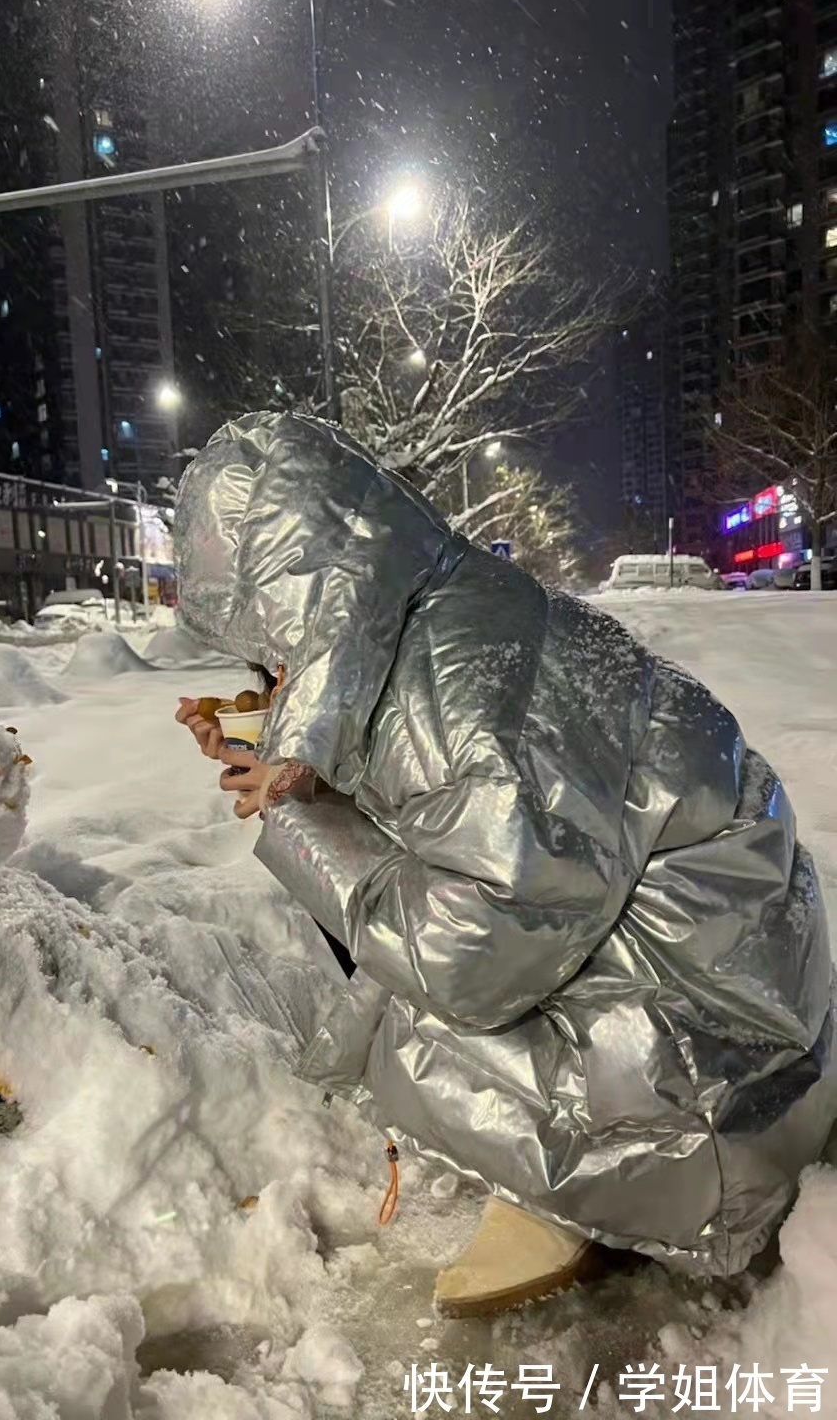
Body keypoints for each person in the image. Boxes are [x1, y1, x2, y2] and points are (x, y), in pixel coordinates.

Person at [172, 411, 836, 1315]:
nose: (269, 675)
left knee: (402, 1038)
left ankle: (582, 1199)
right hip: (746, 991)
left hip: (720, 1091)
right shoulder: (459, 608)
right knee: (392, 970)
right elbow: (479, 831)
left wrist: (302, 820)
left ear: (300, 606)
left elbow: (472, 958)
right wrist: (305, 765)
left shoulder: (447, 701)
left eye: (268, 647)